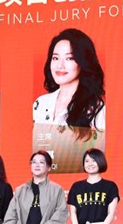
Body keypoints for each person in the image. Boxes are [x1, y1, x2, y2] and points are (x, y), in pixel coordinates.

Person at [33, 28, 106, 172]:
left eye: (69, 58)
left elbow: (99, 160)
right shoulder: (40, 104)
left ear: (83, 62)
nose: (60, 65)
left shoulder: (97, 109)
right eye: (55, 58)